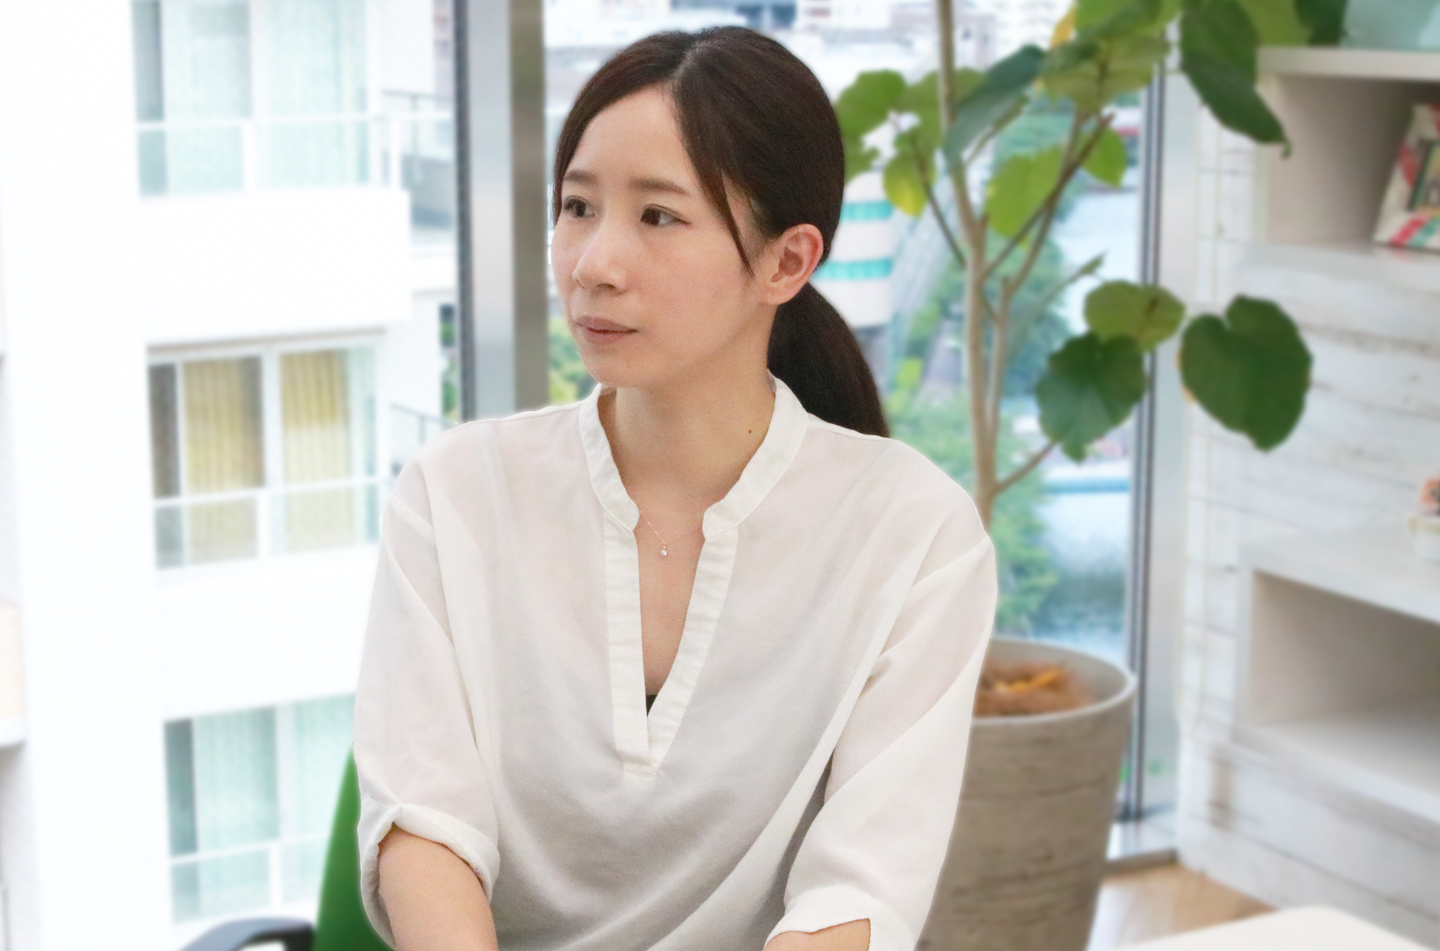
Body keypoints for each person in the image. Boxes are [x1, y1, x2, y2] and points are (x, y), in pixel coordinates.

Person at [354, 26, 997, 951]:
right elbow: (425, 824)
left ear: (786, 261)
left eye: (658, 216)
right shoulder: (455, 493)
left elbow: (860, 891)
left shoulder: (915, 533)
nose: (593, 263)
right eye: (578, 206)